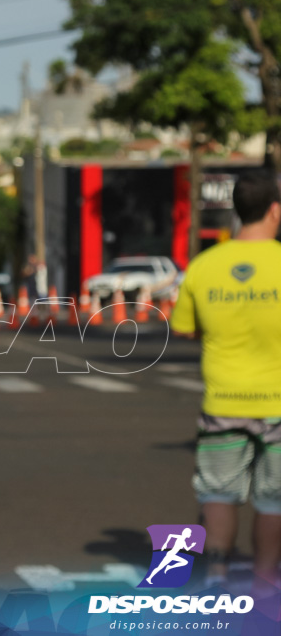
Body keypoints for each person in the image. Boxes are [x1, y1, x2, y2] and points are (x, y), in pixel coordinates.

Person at [170, 169, 281, 591]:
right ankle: (266, 584)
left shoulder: (204, 267)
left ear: (237, 210)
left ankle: (216, 580)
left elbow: (184, 327)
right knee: (273, 500)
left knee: (217, 494)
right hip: (278, 404)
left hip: (223, 402)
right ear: (275, 210)